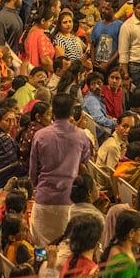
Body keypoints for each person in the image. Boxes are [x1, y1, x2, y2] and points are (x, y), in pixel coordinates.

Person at [28, 93, 92, 248]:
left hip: (44, 198)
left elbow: (33, 171)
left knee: (41, 247)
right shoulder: (81, 136)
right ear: (71, 112)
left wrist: (36, 188)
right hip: (68, 200)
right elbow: (85, 162)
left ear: (53, 111)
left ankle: (41, 270)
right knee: (65, 248)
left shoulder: (40, 135)